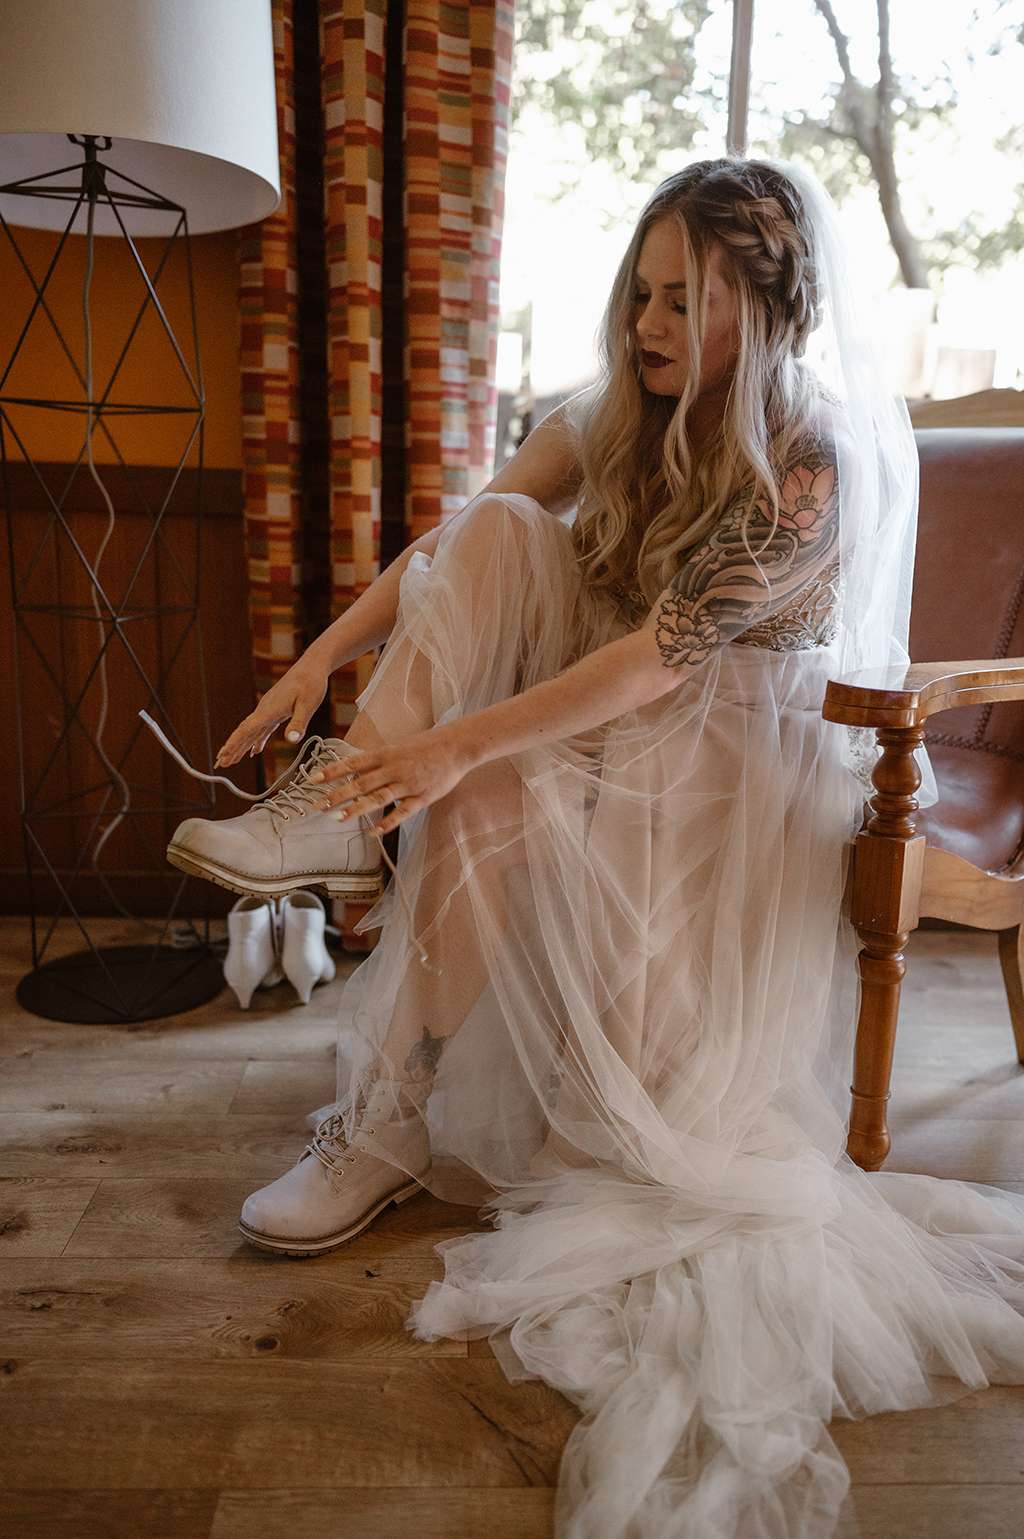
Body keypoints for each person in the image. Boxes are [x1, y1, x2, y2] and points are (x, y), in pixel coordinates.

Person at [164, 158, 1024, 1538]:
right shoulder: (625, 407)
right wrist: (321, 661)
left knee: (482, 789)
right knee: (502, 531)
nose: (648, 325)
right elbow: (460, 545)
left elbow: (655, 662)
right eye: (641, 293)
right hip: (604, 727)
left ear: (766, 309)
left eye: (685, 300)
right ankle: (379, 1098)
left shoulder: (808, 464)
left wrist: (455, 748)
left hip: (727, 779)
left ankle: (356, 859)